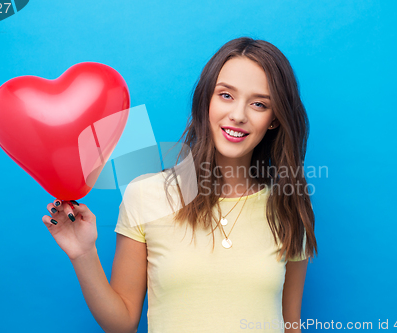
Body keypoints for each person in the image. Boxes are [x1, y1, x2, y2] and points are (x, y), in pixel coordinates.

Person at [42, 37, 318, 333]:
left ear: (274, 119)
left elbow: (291, 325)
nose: (238, 115)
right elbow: (122, 323)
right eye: (226, 95)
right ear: (205, 101)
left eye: (259, 104)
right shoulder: (146, 195)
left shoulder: (288, 206)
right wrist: (83, 253)